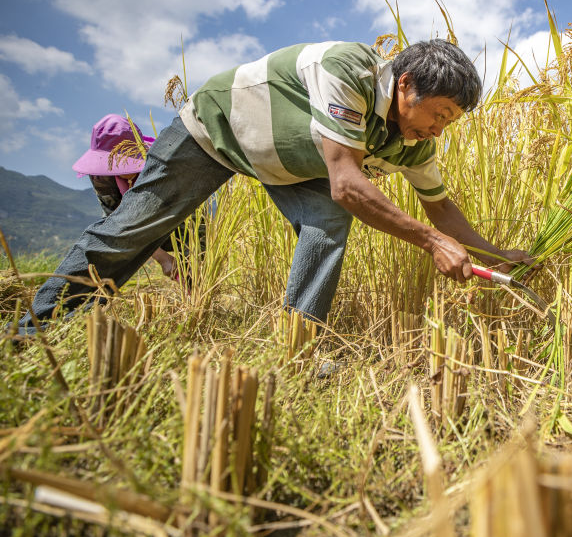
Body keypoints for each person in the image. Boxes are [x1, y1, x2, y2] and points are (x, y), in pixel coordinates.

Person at [18, 39, 531, 334]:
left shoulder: (415, 143)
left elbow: (442, 209)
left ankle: (300, 338)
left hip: (290, 163)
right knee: (135, 227)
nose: (439, 130)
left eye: (450, 122)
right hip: (216, 131)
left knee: (327, 224)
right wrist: (429, 243)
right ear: (405, 85)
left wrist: (493, 252)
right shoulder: (348, 69)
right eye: (438, 114)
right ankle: (37, 328)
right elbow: (348, 185)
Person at [72, 114, 179, 280]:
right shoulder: (100, 177)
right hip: (131, 229)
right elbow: (118, 221)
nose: (120, 170)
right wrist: (162, 258)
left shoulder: (161, 166)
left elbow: (185, 210)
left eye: (125, 162)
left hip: (171, 221)